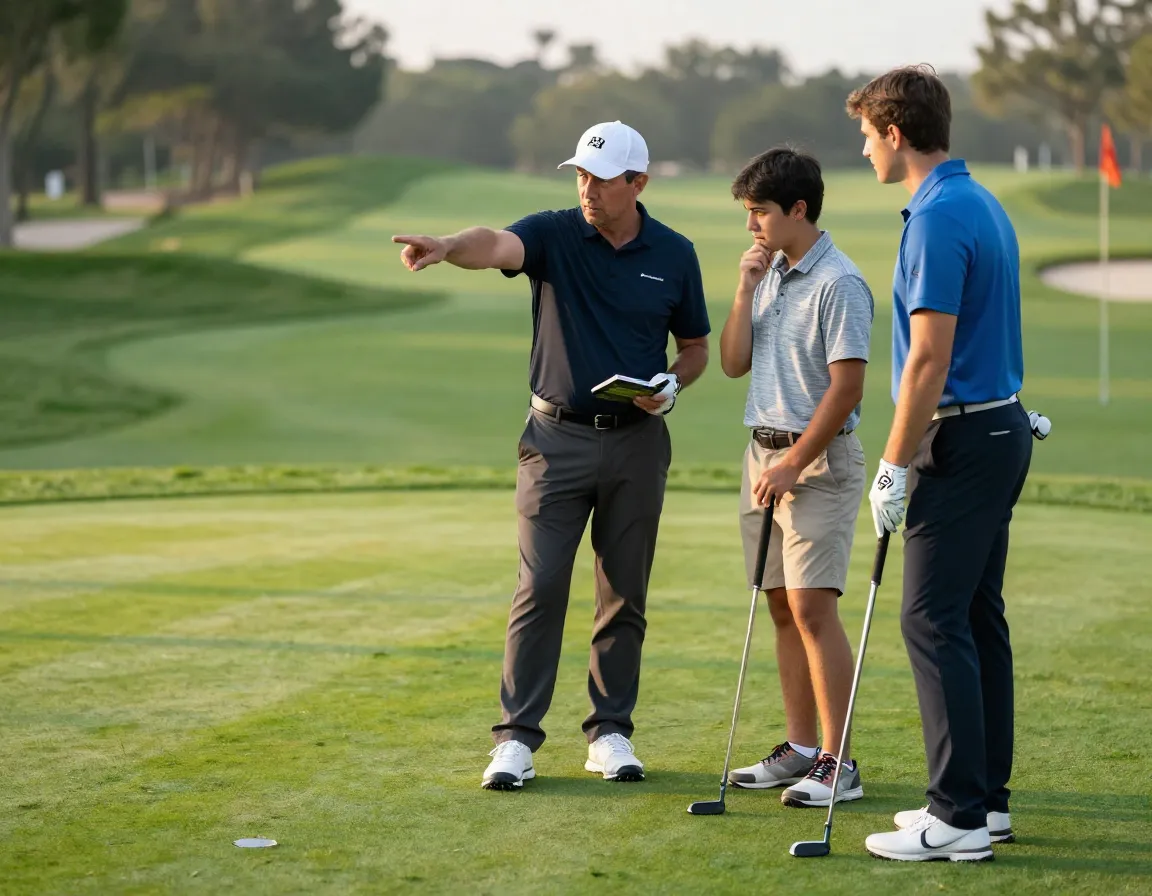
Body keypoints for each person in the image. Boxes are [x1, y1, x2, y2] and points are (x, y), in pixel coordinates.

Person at [391, 120, 711, 791]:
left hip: (637, 440)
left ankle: (610, 732)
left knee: (624, 590)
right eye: (581, 174)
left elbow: (696, 347)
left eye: (601, 177)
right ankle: (515, 740)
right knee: (539, 587)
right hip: (554, 440)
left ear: (639, 183)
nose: (587, 187)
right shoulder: (554, 232)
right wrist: (448, 246)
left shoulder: (675, 254)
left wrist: (671, 385)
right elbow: (497, 244)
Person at [844, 64, 1035, 862]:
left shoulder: (935, 216)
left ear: (895, 132)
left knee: (930, 618)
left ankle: (954, 816)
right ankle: (984, 803)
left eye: (865, 134)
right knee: (974, 615)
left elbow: (928, 359)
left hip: (962, 440)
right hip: (998, 430)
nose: (862, 150)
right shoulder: (979, 202)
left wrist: (891, 465)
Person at [718, 147, 875, 809]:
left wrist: (794, 462)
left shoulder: (840, 281)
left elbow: (846, 389)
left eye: (760, 211)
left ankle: (841, 763)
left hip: (817, 461)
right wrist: (743, 289)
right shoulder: (770, 274)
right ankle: (802, 749)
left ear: (799, 209)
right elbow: (732, 364)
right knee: (781, 604)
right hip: (764, 458)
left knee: (813, 607)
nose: (751, 223)